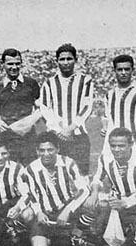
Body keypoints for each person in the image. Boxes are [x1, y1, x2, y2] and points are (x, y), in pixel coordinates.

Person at [81, 127, 136, 246]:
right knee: (100, 234)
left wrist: (126, 202)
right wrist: (94, 194)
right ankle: (80, 234)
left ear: (131, 144)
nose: (116, 149)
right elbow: (97, 178)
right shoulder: (105, 158)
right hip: (116, 202)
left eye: (121, 146)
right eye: (113, 146)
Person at [23, 132, 94, 246]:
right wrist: (39, 212)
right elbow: (30, 195)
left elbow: (84, 190)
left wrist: (67, 210)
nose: (46, 154)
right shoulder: (31, 169)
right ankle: (52, 234)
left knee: (92, 203)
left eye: (50, 150)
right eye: (42, 150)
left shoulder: (68, 163)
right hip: (46, 213)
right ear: (37, 151)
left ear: (58, 149)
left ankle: (76, 235)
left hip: (67, 207)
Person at [39, 43, 94, 176]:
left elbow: (87, 106)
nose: (65, 62)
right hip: (56, 136)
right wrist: (59, 130)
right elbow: (45, 108)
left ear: (75, 60)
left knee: (82, 173)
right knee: (59, 173)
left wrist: (70, 128)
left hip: (78, 135)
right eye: (62, 59)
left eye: (69, 59)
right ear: (57, 61)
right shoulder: (49, 82)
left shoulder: (85, 80)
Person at [0, 48, 40, 165]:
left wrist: (29, 122)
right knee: (8, 170)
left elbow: (41, 107)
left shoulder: (31, 83)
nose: (14, 67)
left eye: (17, 63)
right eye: (10, 64)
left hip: (28, 136)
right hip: (7, 136)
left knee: (30, 169)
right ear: (3, 64)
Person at [101, 55, 136, 153]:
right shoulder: (109, 95)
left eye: (127, 69)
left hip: (133, 146)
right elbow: (106, 117)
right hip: (110, 148)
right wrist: (104, 127)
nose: (123, 73)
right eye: (120, 69)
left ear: (132, 70)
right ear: (114, 71)